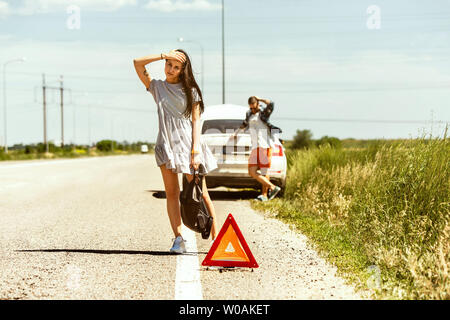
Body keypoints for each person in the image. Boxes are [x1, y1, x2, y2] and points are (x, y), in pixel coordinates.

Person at [133, 49, 218, 254]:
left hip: (189, 146)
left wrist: (195, 149)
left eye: (176, 66)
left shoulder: (191, 91)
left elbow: (196, 120)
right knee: (172, 193)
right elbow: (137, 63)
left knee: (202, 193)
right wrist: (163, 55)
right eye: (169, 64)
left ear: (182, 70)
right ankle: (179, 239)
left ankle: (217, 241)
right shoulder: (157, 87)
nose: (171, 69)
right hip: (166, 145)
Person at [231, 96, 282, 201]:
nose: (253, 110)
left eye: (254, 107)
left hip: (265, 145)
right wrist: (236, 133)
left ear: (257, 104)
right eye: (251, 108)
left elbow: (271, 103)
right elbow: (244, 124)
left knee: (264, 171)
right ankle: (273, 187)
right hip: (254, 146)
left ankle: (264, 195)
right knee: (252, 171)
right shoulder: (249, 114)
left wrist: (259, 98)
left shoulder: (264, 113)